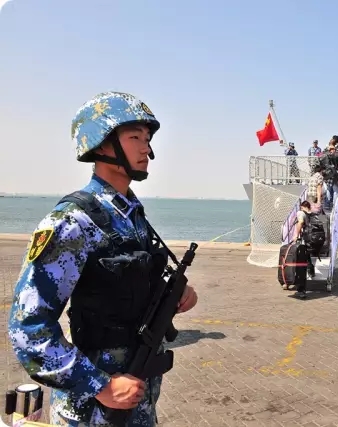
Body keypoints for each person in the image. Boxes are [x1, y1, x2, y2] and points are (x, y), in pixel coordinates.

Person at [7, 91, 199, 426]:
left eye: (147, 139)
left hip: (138, 402)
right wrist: (100, 385)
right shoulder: (72, 222)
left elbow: (132, 280)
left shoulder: (130, 215)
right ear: (101, 144)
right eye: (134, 137)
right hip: (91, 412)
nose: (146, 148)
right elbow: (29, 329)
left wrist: (177, 293)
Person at [290, 200, 314, 299]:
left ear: (301, 207)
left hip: (304, 243)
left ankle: (301, 290)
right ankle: (311, 270)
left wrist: (296, 235)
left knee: (301, 266)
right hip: (313, 243)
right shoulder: (314, 214)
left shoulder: (300, 213)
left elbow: (300, 222)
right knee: (307, 260)